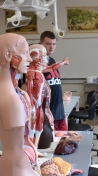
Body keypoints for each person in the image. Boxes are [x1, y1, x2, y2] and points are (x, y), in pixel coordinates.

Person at [0, 33, 39, 176]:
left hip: (18, 163)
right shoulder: (10, 98)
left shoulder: (16, 93)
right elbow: (15, 145)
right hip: (15, 168)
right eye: (24, 53)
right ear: (8, 56)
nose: (29, 58)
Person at [40, 31, 70, 131]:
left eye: (54, 44)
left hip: (60, 113)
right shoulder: (38, 62)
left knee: (65, 142)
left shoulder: (52, 60)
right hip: (48, 115)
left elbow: (53, 84)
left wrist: (61, 97)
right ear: (41, 43)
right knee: (53, 145)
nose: (51, 47)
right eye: (48, 44)